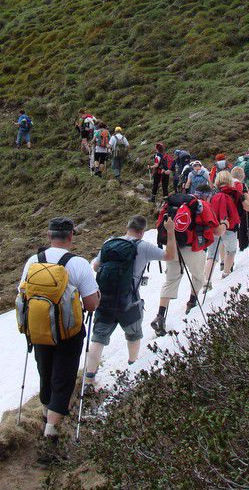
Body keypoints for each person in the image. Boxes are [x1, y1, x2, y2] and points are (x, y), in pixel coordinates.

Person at [18, 217, 99, 462]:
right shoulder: (78, 264)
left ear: (48, 235)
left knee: (46, 372)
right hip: (68, 333)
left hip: (39, 330)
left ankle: (46, 413)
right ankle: (51, 433)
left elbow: (22, 293)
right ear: (71, 236)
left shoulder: (34, 261)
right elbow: (91, 304)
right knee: (63, 379)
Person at [85, 215, 176, 385]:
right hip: (129, 301)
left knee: (98, 339)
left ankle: (89, 378)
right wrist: (170, 232)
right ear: (142, 232)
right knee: (133, 335)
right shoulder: (143, 246)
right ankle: (132, 367)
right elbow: (170, 255)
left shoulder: (109, 243)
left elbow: (96, 266)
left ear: (127, 227)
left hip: (105, 300)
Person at [151, 194, 224, 335]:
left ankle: (160, 315)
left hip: (172, 247)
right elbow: (216, 230)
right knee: (198, 276)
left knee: (170, 281)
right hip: (192, 247)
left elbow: (159, 223)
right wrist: (225, 224)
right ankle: (191, 303)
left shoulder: (170, 205)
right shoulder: (200, 205)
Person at [202, 171, 249, 284]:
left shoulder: (212, 194)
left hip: (214, 227)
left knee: (211, 256)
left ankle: (206, 281)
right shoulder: (236, 193)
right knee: (231, 251)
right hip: (230, 227)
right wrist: (245, 194)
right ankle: (226, 273)